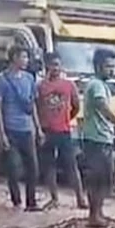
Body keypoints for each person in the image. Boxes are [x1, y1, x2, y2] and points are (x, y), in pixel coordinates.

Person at [81, 48, 115, 227]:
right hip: (96, 139)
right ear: (98, 66)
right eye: (108, 66)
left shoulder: (100, 85)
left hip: (102, 138)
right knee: (99, 178)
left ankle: (97, 213)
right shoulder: (96, 85)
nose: (111, 70)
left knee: (104, 178)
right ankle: (94, 215)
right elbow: (104, 110)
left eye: (113, 67)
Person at [0, 45, 44, 212]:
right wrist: (2, 134)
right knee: (14, 168)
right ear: (14, 58)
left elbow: (32, 106)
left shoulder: (29, 79)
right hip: (10, 129)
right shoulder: (1, 80)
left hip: (27, 129)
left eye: (26, 57)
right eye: (23, 57)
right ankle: (16, 200)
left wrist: (38, 128)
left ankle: (31, 202)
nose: (26, 61)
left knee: (33, 167)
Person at [36, 52, 87, 209]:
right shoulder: (41, 86)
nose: (55, 68)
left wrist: (67, 118)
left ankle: (80, 199)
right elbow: (37, 108)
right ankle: (54, 198)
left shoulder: (69, 85)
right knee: (49, 167)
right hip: (47, 131)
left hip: (64, 131)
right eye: (51, 65)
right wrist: (40, 129)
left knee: (71, 166)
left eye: (57, 65)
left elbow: (76, 106)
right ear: (46, 67)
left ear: (61, 66)